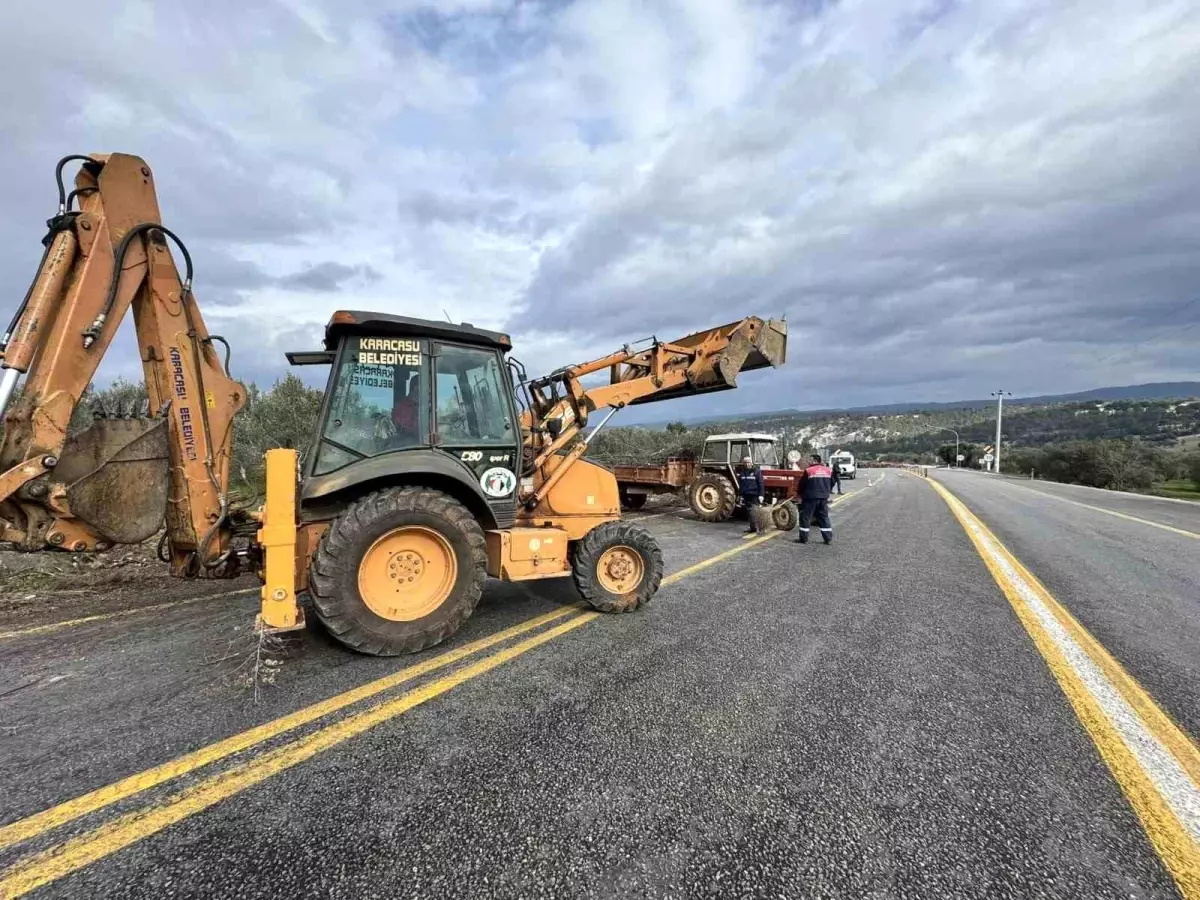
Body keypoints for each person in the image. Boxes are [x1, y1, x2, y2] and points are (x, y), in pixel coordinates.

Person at [795, 453, 834, 545]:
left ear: (816, 461)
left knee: (805, 517)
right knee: (823, 517)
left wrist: (799, 494)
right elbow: (832, 482)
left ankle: (803, 539)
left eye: (811, 459)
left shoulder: (809, 470)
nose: (809, 461)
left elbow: (802, 484)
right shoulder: (828, 470)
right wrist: (826, 491)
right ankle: (828, 538)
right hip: (823, 498)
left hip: (810, 498)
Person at [736, 455, 765, 534]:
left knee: (754, 513)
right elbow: (741, 485)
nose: (747, 464)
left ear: (751, 463)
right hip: (746, 495)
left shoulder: (756, 472)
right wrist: (740, 495)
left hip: (754, 495)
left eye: (748, 462)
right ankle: (753, 528)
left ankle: (759, 529)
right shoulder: (742, 473)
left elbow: (761, 484)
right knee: (749, 513)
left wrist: (761, 495)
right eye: (745, 463)